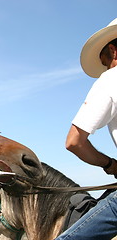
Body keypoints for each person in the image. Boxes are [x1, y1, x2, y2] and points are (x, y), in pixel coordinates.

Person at [55, 18, 117, 240]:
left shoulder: (111, 78)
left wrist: (111, 165)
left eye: (104, 62)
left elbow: (74, 142)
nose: (105, 68)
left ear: (113, 50)